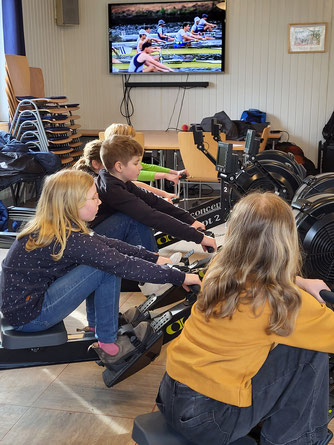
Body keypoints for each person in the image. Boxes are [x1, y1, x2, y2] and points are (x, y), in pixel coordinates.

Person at [156, 191, 334, 445]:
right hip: (210, 421)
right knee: (308, 354)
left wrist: (301, 281)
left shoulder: (216, 273)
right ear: (286, 241)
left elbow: (255, 273)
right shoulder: (285, 302)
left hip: (171, 396)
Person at [0, 169, 201, 366]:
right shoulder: (69, 238)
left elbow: (108, 244)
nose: (100, 201)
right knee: (106, 265)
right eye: (94, 198)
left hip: (24, 307)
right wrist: (179, 277)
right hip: (31, 317)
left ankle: (100, 327)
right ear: (73, 204)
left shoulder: (59, 227)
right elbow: (122, 263)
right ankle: (108, 344)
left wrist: (153, 257)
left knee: (104, 260)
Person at [96, 135, 217, 253]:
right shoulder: (112, 189)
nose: (140, 167)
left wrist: (190, 220)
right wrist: (199, 237)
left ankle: (154, 263)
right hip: (96, 236)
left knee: (140, 215)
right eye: (136, 163)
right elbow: (151, 216)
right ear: (119, 166)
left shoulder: (117, 180)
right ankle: (155, 265)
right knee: (138, 218)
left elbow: (153, 201)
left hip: (107, 228)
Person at [73, 139, 177, 202]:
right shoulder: (95, 182)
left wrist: (164, 193)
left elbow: (136, 184)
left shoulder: (105, 176)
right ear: (95, 164)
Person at [104, 123, 188, 186]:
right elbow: (137, 173)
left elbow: (145, 166)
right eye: (129, 139)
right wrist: (165, 175)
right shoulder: (113, 159)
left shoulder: (122, 154)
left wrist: (175, 172)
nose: (132, 141)